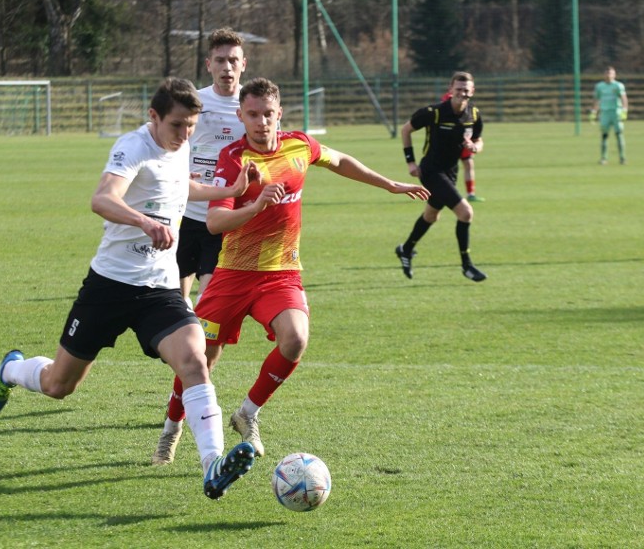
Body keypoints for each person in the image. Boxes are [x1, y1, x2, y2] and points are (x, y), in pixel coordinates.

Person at [0, 78, 257, 500]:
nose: (185, 134)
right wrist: (145, 222)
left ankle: (212, 464)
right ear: (153, 117)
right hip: (110, 285)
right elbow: (102, 198)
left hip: (160, 290)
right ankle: (10, 370)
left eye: (190, 126)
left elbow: (181, 188)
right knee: (59, 385)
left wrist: (231, 191)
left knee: (195, 360)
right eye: (178, 125)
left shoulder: (180, 146)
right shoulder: (132, 148)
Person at [151, 77, 429, 464]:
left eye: (268, 114)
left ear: (279, 114)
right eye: (252, 114)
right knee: (200, 359)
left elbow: (339, 160)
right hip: (232, 274)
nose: (261, 122)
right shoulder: (233, 159)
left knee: (296, 339)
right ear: (240, 115)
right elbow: (215, 223)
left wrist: (388, 185)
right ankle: (171, 430)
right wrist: (255, 206)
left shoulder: (300, 144)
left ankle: (247, 414)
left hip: (280, 273)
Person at [395, 71, 487, 283]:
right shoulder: (434, 112)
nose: (462, 94)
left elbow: (479, 139)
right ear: (450, 90)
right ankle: (467, 265)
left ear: (472, 91)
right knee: (466, 213)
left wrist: (475, 147)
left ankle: (406, 249)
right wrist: (410, 161)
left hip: (450, 172)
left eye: (466, 90)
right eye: (458, 90)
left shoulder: (473, 114)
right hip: (431, 171)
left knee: (431, 216)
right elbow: (406, 130)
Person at [178, 28, 247, 309]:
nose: (226, 67)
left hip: (225, 216)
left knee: (206, 299)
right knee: (176, 300)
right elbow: (171, 144)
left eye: (233, 60)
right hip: (186, 212)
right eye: (220, 60)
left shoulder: (254, 105)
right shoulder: (193, 101)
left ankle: (194, 346)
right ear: (209, 65)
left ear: (244, 64)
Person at [442, 89, 483, 203]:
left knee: (469, 164)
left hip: (464, 140)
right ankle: (443, 192)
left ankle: (471, 194)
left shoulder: (468, 103)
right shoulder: (447, 99)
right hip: (449, 142)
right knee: (445, 168)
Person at [590, 66, 628, 165]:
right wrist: (594, 111)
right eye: (607, 73)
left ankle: (622, 158)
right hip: (604, 112)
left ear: (614, 75)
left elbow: (624, 98)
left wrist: (624, 110)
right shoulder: (599, 86)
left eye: (610, 73)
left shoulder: (618, 86)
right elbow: (596, 99)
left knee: (619, 134)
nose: (608, 75)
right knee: (604, 135)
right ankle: (604, 158)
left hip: (616, 112)